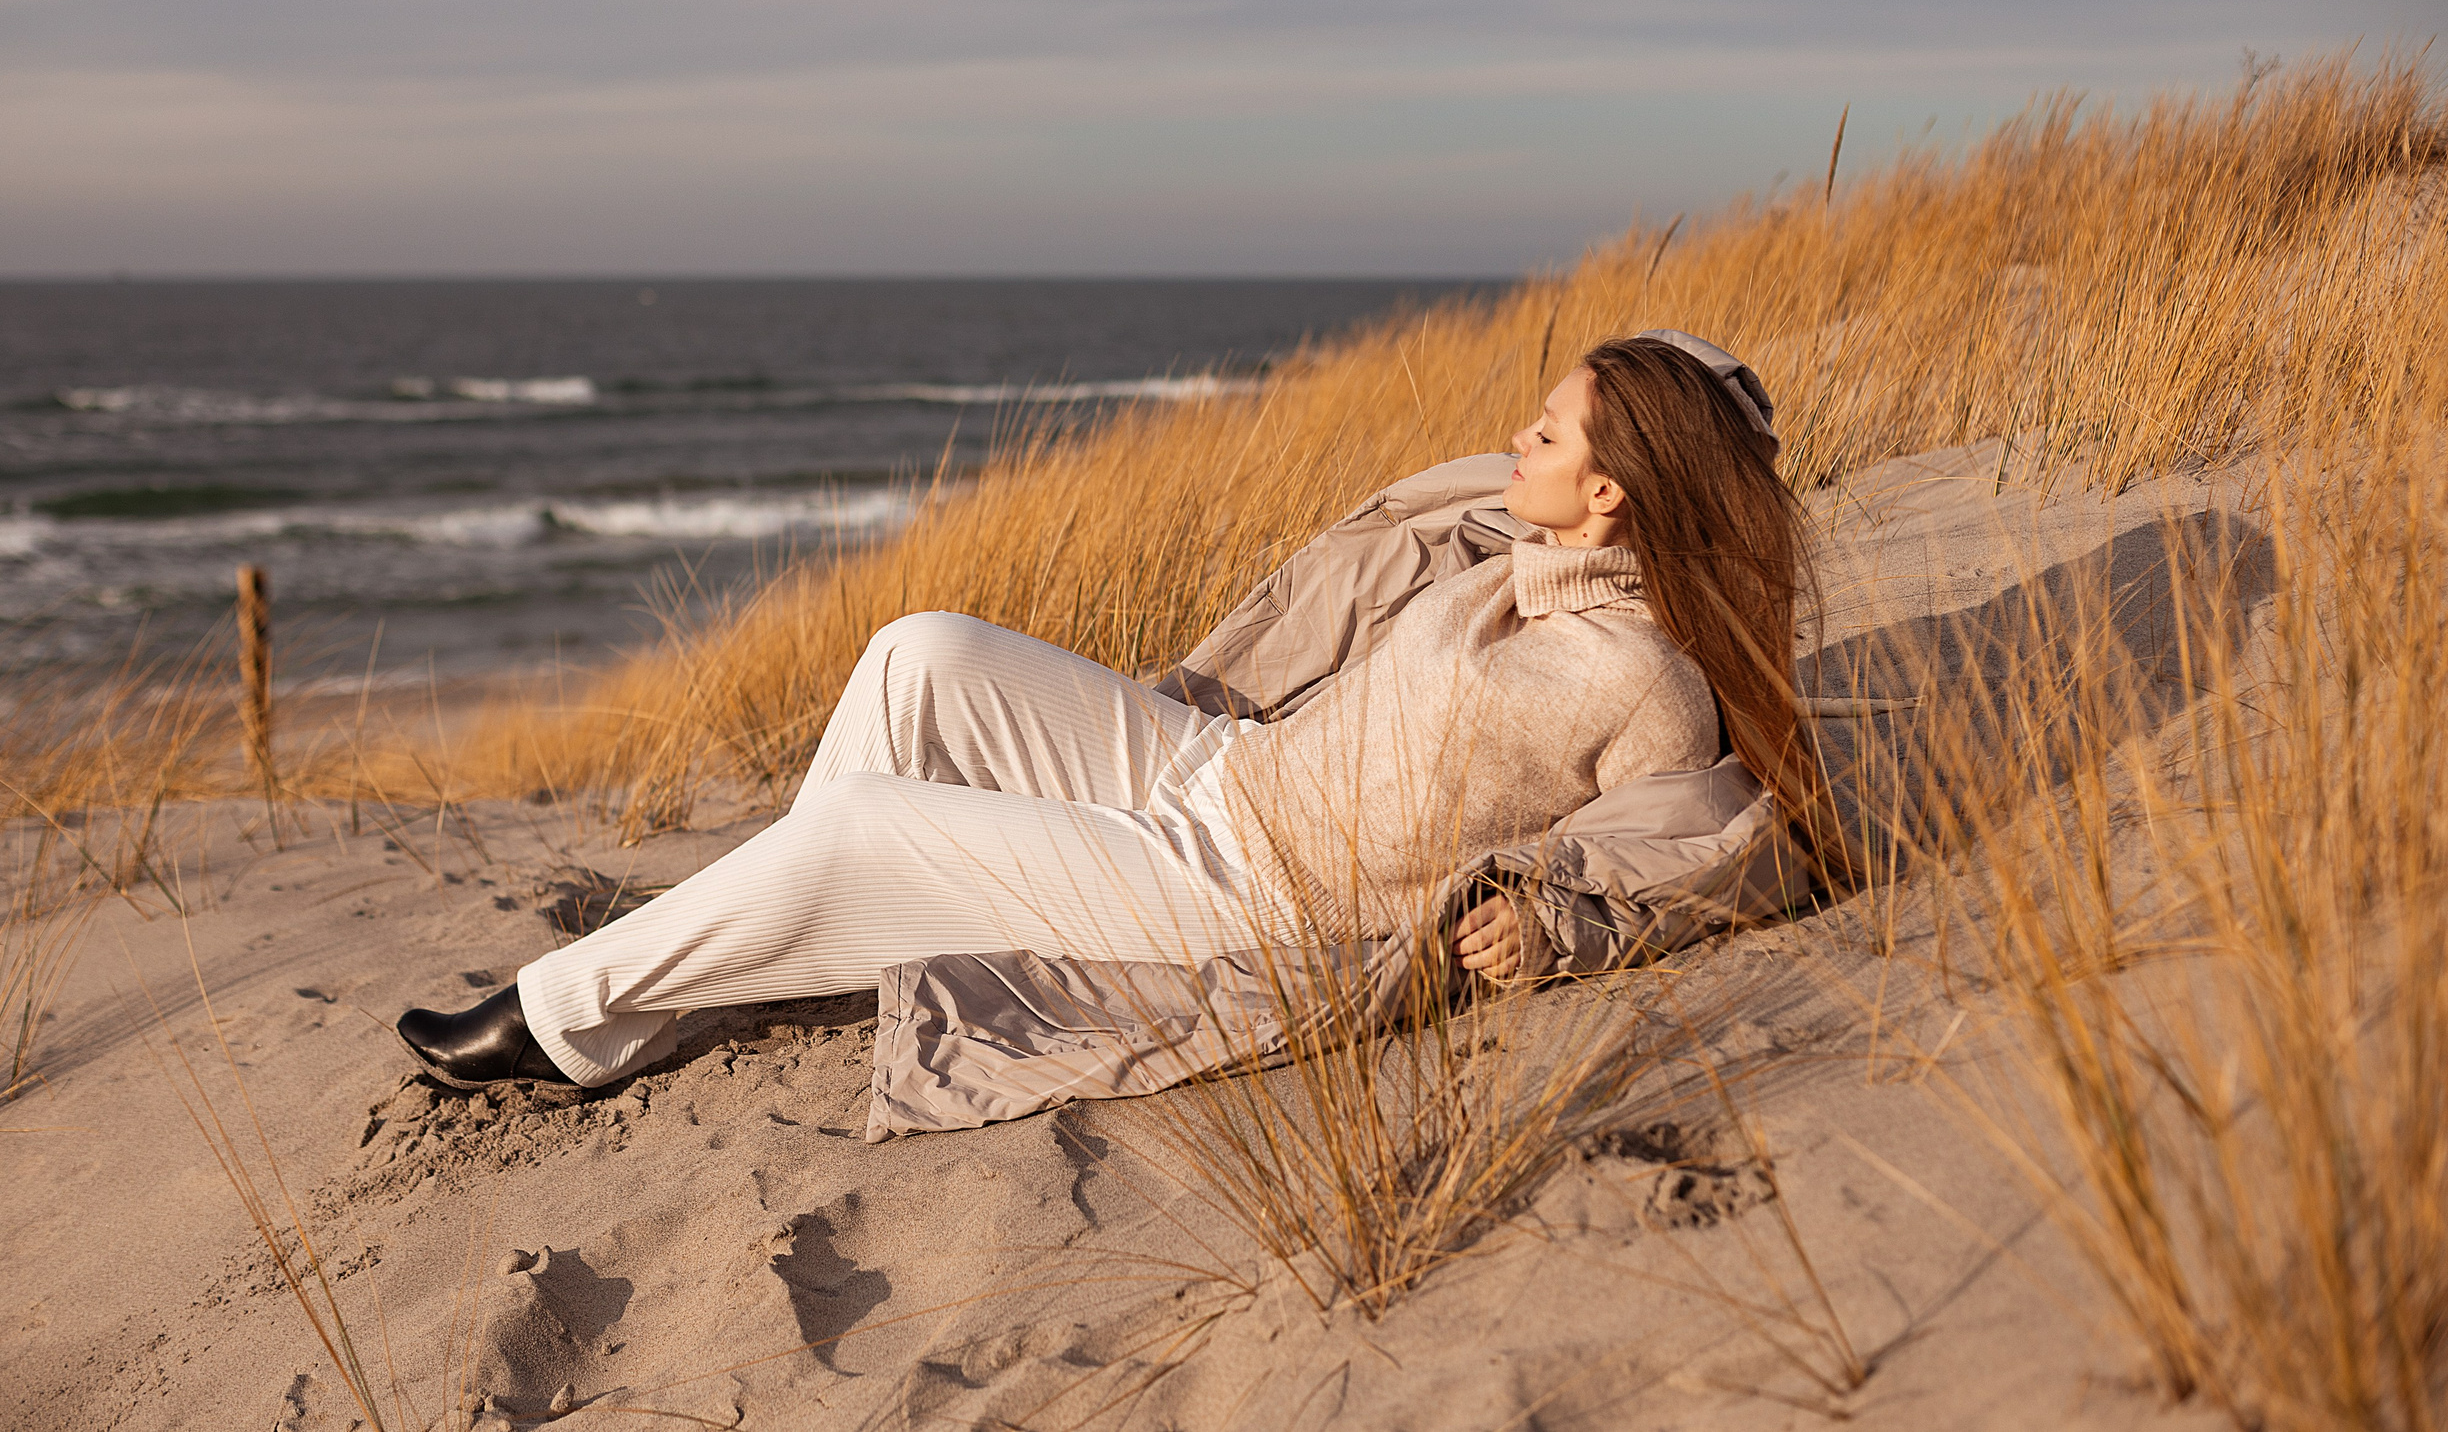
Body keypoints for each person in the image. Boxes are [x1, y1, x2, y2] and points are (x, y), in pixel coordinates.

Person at [396, 330, 1818, 1095]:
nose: (1516, 440)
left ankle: (566, 1021)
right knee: (919, 653)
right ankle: (742, 953)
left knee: (862, 830)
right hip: (1221, 769)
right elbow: (1468, 503)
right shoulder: (1514, 555)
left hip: (1242, 890)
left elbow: (1700, 838)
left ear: (1616, 492)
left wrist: (1552, 920)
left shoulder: (1640, 678)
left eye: (1549, 434)